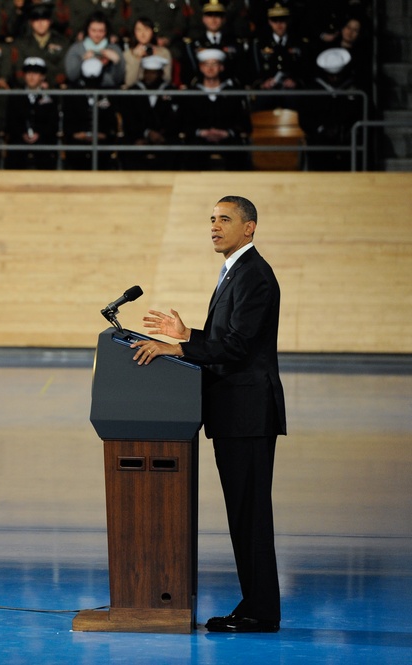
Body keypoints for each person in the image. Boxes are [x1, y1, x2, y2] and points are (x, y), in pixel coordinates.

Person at [131, 195, 286, 634]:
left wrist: (178, 347)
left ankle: (261, 611)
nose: (215, 226)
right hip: (237, 414)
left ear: (250, 227)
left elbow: (237, 349)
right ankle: (254, 604)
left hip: (248, 414)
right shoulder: (237, 271)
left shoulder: (255, 275)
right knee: (243, 514)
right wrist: (189, 335)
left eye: (226, 219)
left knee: (250, 515)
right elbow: (229, 339)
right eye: (212, 219)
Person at [179, 48, 251, 170]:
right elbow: (184, 121)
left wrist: (227, 133)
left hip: (227, 138)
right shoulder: (192, 94)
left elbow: (243, 121)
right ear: (200, 68)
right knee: (192, 152)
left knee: (238, 152)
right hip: (200, 138)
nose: (210, 68)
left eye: (214, 64)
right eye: (206, 64)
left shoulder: (232, 93)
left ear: (221, 67)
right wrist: (201, 132)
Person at [297, 47, 362, 171]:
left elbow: (361, 113)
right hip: (320, 141)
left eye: (338, 76)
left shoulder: (355, 91)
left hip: (347, 141)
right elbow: (304, 118)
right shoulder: (313, 90)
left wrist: (349, 130)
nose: (335, 80)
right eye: (331, 76)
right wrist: (320, 129)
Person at [119, 54, 182, 169]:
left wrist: (161, 134)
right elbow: (129, 117)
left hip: (164, 136)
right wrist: (146, 133)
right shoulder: (133, 91)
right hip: (137, 135)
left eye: (153, 73)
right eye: (147, 72)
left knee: (176, 147)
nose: (149, 76)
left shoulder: (170, 91)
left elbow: (175, 118)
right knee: (126, 147)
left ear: (161, 74)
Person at [4, 56, 60, 169]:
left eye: (36, 73)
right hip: (19, 139)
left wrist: (39, 134)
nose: (32, 77)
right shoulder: (15, 96)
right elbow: (10, 120)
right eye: (28, 73)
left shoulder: (51, 97)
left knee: (46, 154)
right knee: (14, 154)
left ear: (43, 76)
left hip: (44, 140)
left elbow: (53, 121)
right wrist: (22, 134)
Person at [250, 2, 308, 110]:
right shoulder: (259, 43)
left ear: (288, 20)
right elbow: (253, 69)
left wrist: (296, 82)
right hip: (267, 90)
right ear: (269, 22)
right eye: (275, 20)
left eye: (282, 20)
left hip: (292, 91)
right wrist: (262, 84)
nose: (279, 24)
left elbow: (305, 68)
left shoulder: (299, 42)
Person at [10, 1, 70, 88]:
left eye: (44, 19)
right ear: (30, 22)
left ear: (50, 21)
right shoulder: (21, 43)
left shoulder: (62, 42)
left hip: (55, 91)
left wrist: (50, 84)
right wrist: (33, 84)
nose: (40, 23)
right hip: (27, 91)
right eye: (36, 19)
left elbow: (64, 69)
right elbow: (17, 70)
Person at [64, 11, 125, 89]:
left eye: (101, 31)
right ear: (87, 30)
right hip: (82, 91)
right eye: (93, 30)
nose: (97, 34)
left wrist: (117, 62)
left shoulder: (114, 49)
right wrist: (82, 60)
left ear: (106, 31)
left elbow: (118, 80)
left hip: (106, 91)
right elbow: (71, 76)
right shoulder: (77, 49)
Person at [122, 14, 174, 88]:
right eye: (139, 30)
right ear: (134, 32)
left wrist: (155, 60)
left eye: (146, 29)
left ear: (152, 31)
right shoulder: (128, 54)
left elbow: (167, 80)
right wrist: (136, 59)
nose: (143, 34)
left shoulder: (164, 52)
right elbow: (130, 82)